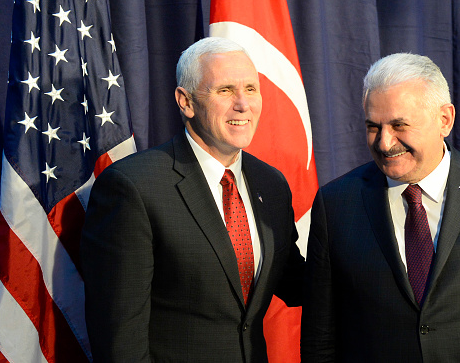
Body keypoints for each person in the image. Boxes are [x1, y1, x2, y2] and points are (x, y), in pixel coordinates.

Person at [300, 53, 460, 362]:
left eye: (400, 125)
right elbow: (319, 340)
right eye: (374, 126)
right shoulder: (336, 204)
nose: (385, 143)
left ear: (445, 120)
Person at [81, 37, 304, 362]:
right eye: (225, 90)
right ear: (186, 102)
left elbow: (294, 282)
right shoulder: (133, 187)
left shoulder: (271, 184)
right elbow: (120, 340)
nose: (243, 104)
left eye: (251, 89)